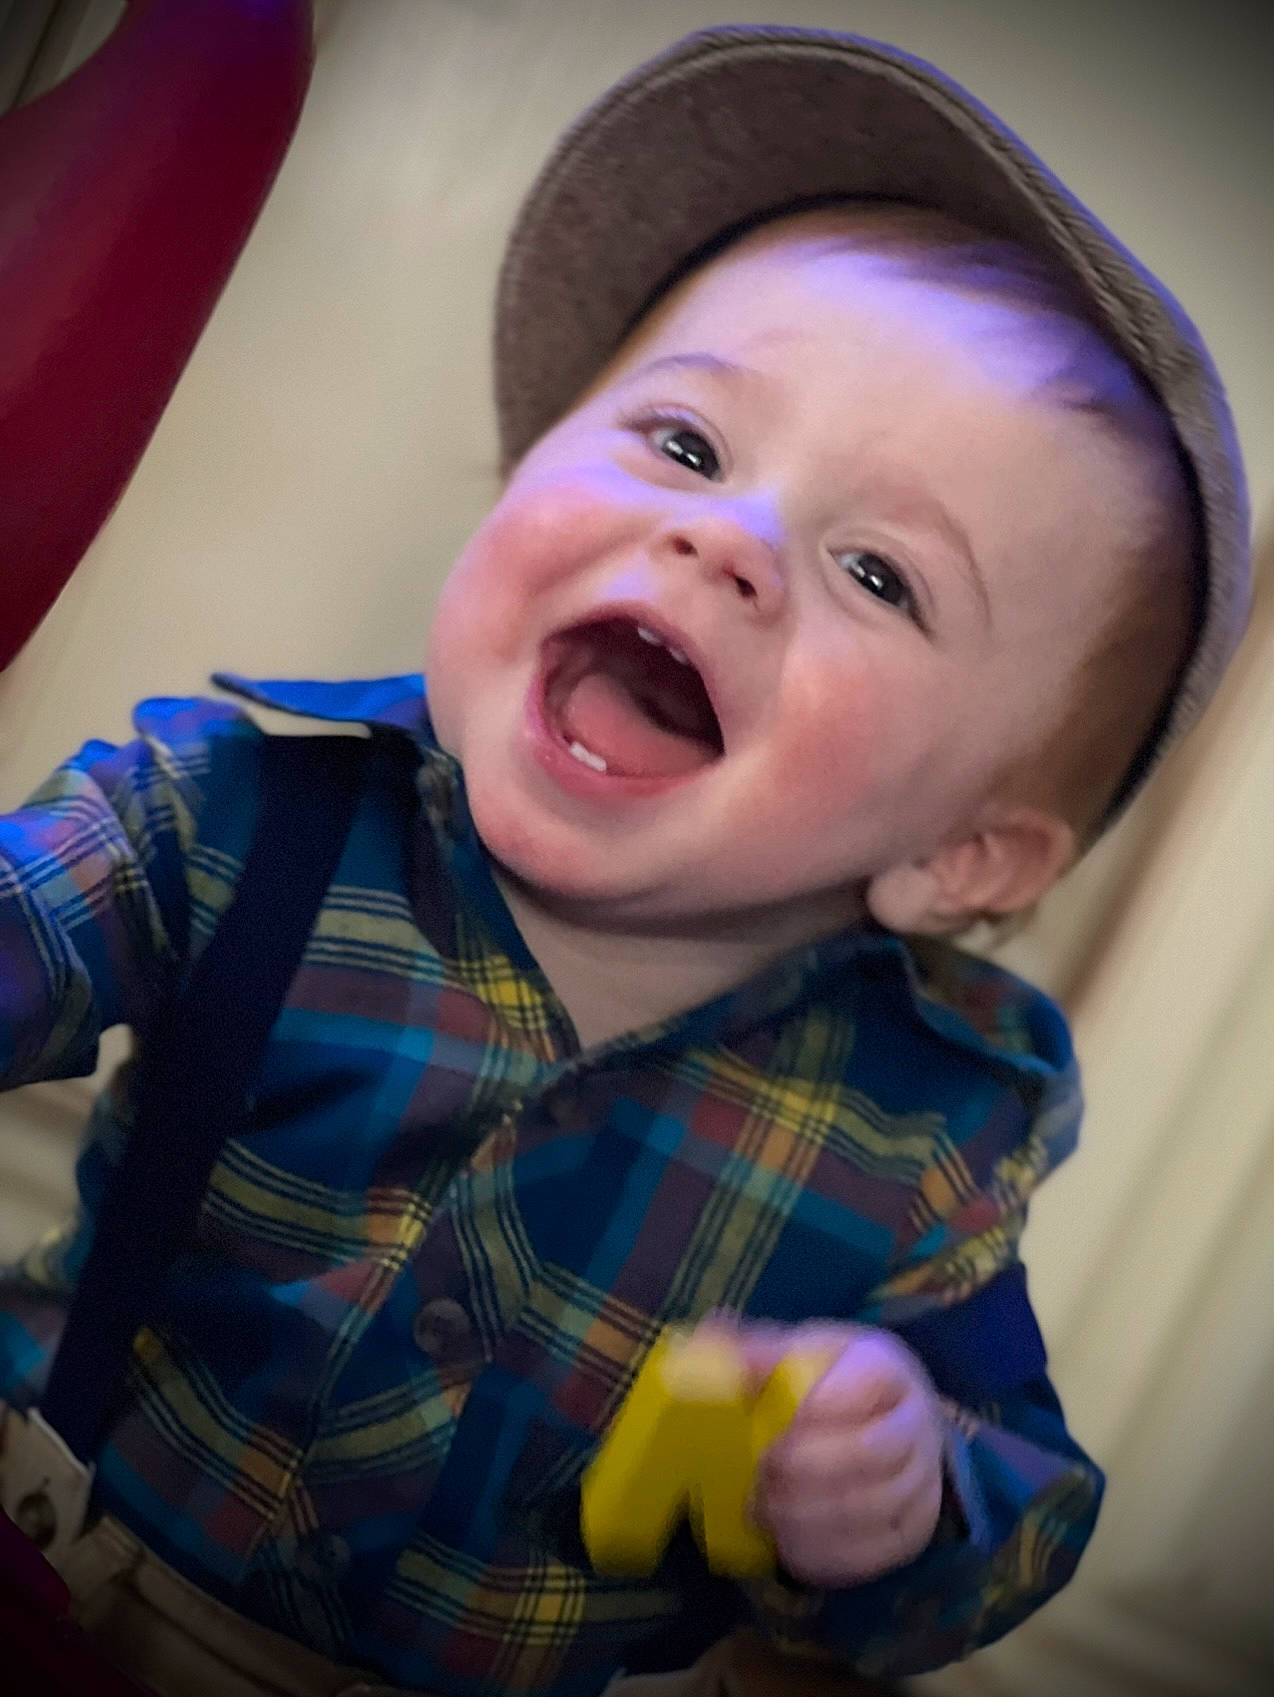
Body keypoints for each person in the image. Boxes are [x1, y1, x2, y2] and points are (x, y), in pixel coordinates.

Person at [0, 23, 1250, 1697]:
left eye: (879, 575)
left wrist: (898, 1488)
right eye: (683, 443)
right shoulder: (228, 817)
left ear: (959, 856)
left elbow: (1010, 1510)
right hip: (57, 1564)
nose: (721, 539)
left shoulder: (920, 1130)